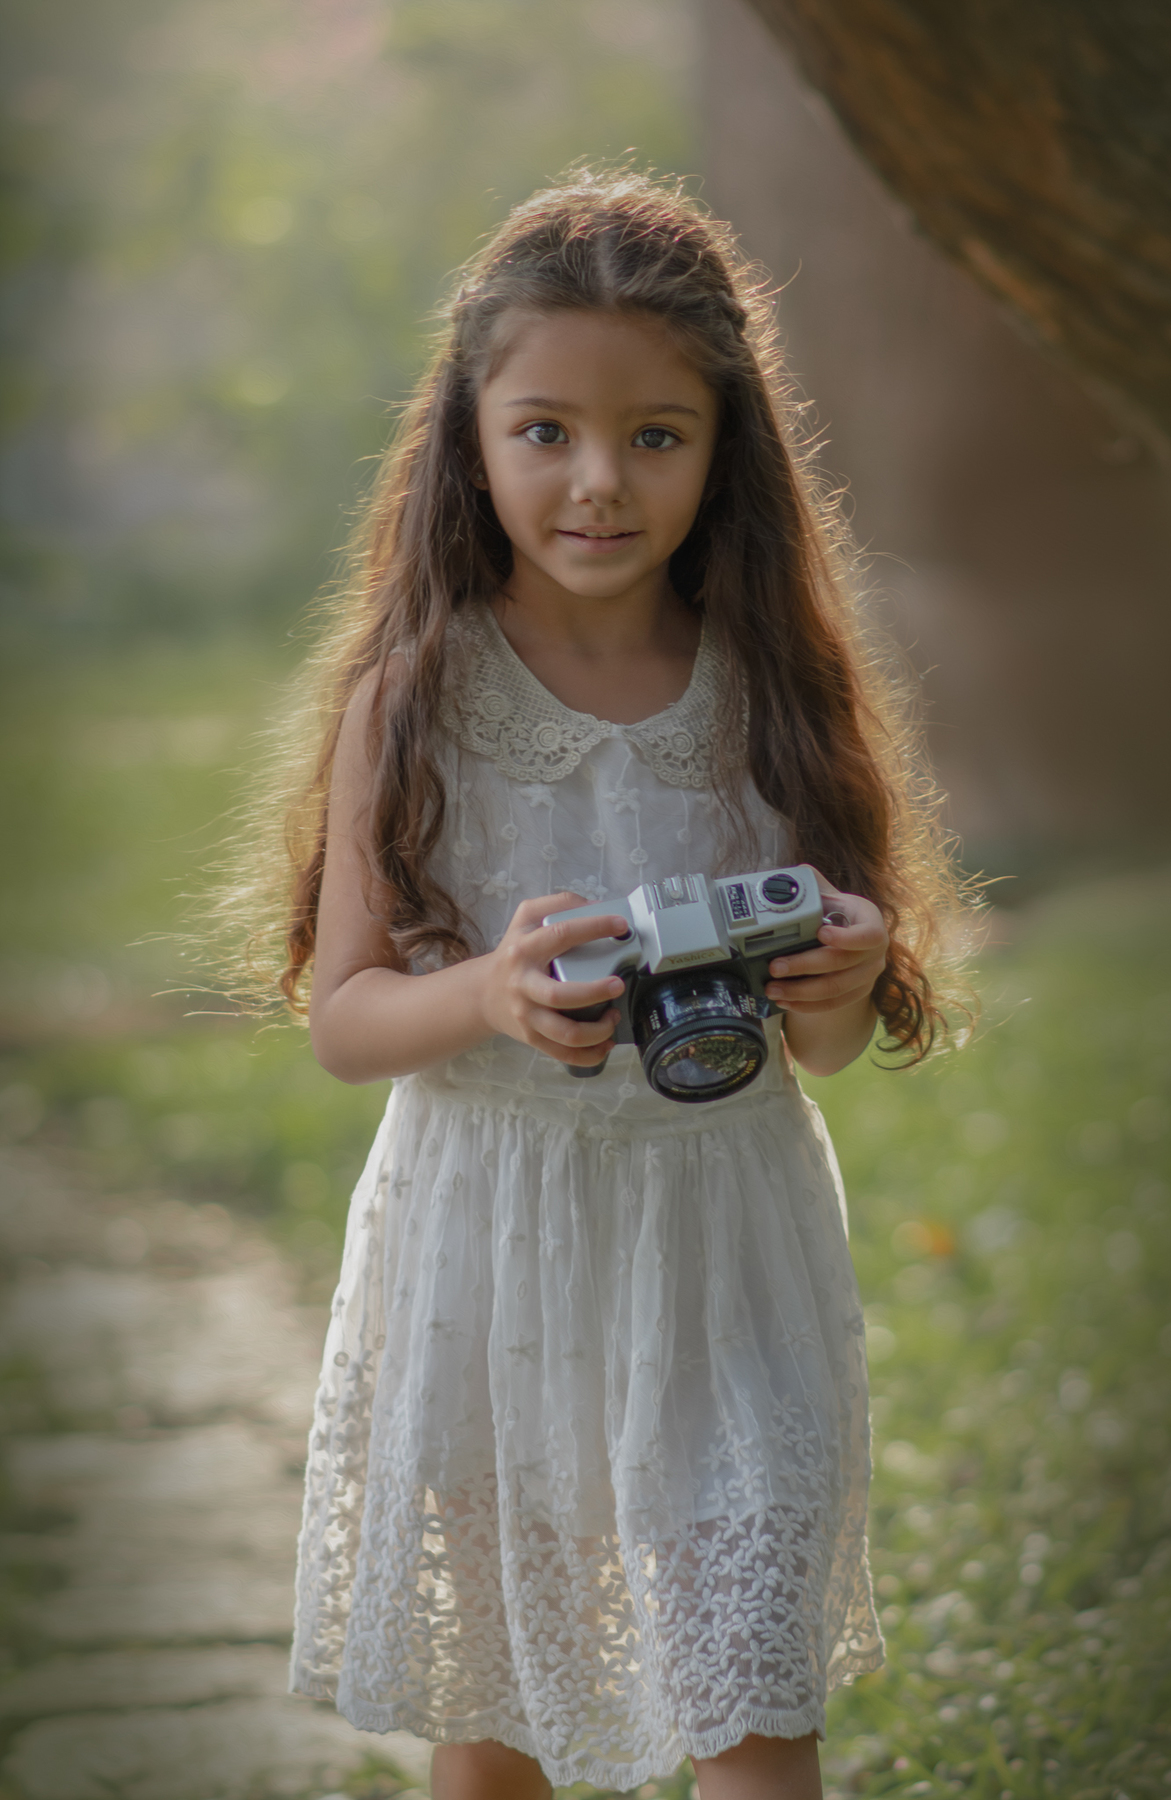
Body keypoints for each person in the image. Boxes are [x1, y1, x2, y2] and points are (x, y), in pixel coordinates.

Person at [235, 170, 969, 1799]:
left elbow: (829, 1050)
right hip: (494, 1260)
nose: (597, 482)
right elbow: (350, 1020)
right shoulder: (419, 697)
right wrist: (488, 995)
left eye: (656, 435)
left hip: (726, 1255)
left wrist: (840, 977)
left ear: (726, 451)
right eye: (545, 429)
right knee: (496, 1733)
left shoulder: (773, 689)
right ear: (470, 436)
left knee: (755, 1711)